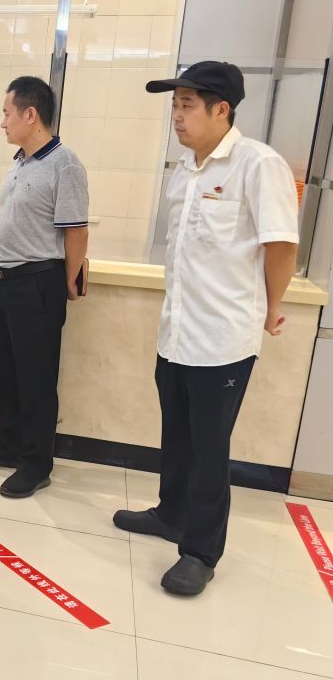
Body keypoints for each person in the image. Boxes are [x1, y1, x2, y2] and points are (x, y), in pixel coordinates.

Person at [113, 61, 299, 596]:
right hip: (176, 334)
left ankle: (200, 551)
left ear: (222, 109)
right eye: (174, 105)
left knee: (210, 447)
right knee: (176, 436)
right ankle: (172, 513)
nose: (177, 115)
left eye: (187, 105)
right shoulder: (184, 169)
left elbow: (281, 245)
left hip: (223, 341)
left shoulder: (257, 164)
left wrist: (271, 306)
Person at [0, 76, 89, 498]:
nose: (2, 122)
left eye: (6, 113)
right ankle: (11, 444)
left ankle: (36, 464)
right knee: (8, 372)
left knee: (36, 379)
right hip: (7, 281)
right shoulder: (20, 162)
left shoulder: (64, 164)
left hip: (38, 282)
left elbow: (76, 232)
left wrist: (66, 280)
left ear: (30, 114)